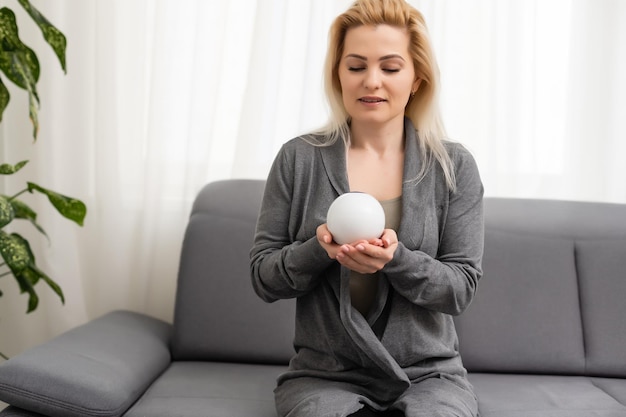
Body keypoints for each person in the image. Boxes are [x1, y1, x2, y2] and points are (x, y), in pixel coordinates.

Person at [250, 0, 484, 416]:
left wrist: (396, 259)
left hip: (429, 376)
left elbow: (459, 288)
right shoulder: (298, 159)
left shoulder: (454, 167)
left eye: (390, 68)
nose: (371, 81)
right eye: (356, 67)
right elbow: (264, 278)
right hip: (325, 374)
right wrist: (317, 250)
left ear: (416, 79)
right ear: (338, 75)